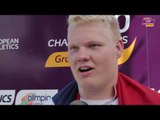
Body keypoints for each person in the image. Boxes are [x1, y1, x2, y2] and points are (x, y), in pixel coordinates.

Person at [52, 15, 160, 105]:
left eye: (93, 45)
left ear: (118, 48)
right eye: (74, 48)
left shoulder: (152, 101)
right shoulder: (55, 102)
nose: (81, 56)